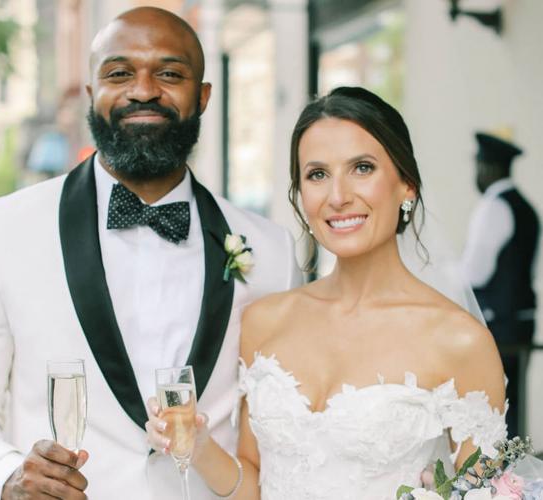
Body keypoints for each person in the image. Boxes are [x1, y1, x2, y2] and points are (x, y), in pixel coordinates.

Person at [0, 7, 302, 500]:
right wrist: (5, 476)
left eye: (169, 73)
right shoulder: (1, 230)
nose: (143, 90)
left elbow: (276, 433)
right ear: (91, 94)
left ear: (203, 97)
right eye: (119, 74)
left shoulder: (271, 251)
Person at [147, 87, 508, 500]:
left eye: (362, 168)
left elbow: (485, 492)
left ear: (407, 184)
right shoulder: (265, 321)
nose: (338, 197)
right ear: (301, 195)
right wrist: (199, 445)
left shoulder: (460, 341)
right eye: (317, 174)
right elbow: (254, 482)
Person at [462, 131, 540, 439]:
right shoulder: (527, 208)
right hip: (522, 321)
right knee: (513, 407)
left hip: (499, 325)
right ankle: (514, 480)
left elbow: (475, 274)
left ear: (488, 168)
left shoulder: (493, 206)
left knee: (493, 407)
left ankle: (497, 482)